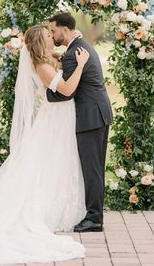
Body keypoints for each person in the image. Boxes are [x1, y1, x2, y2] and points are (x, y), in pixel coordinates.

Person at [0, 25, 89, 264]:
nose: (52, 37)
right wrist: (80, 65)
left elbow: (62, 57)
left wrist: (72, 42)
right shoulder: (42, 67)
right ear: (41, 41)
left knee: (56, 164)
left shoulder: (48, 60)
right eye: (49, 35)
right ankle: (44, 210)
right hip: (54, 122)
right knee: (46, 165)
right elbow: (67, 89)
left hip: (60, 120)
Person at [47, 13, 113, 233]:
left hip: (90, 117)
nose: (52, 35)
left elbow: (67, 92)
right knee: (95, 168)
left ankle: (94, 219)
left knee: (92, 169)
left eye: (54, 31)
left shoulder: (73, 54)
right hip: (98, 113)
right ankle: (95, 215)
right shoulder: (79, 47)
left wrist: (48, 94)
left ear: (66, 30)